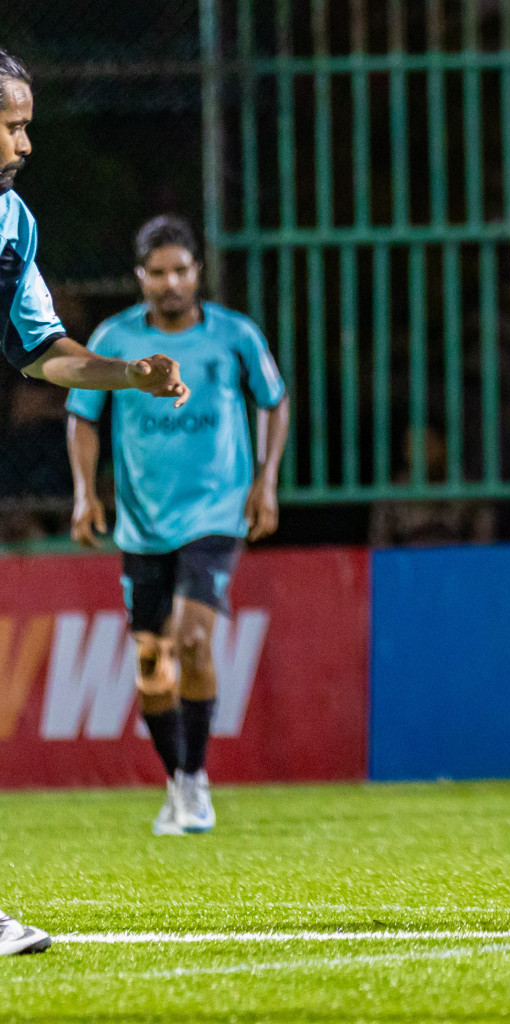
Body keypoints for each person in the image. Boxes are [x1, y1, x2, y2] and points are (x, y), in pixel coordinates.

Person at [0, 47, 188, 955]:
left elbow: (42, 350)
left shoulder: (12, 223)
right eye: (10, 123)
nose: (25, 140)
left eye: (27, 120)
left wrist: (127, 376)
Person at [65, 214, 289, 838]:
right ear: (140, 277)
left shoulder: (234, 336)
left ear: (198, 273)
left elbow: (273, 401)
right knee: (149, 663)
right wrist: (86, 494)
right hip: (141, 525)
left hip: (215, 514)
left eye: (181, 271)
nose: (170, 283)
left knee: (192, 641)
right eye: (158, 272)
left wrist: (265, 482)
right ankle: (178, 779)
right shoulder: (114, 338)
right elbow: (82, 415)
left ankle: (195, 783)